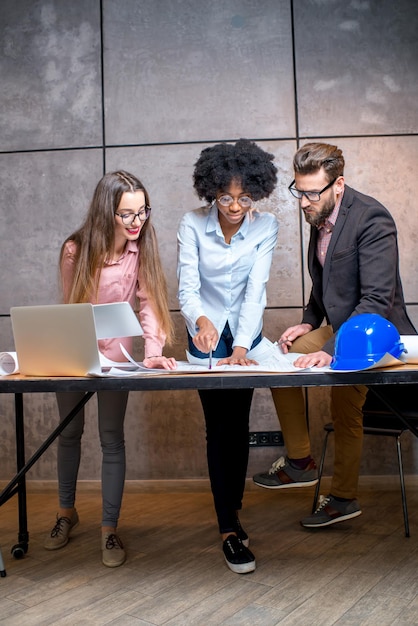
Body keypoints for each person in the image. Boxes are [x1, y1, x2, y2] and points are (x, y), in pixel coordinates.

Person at [253, 142, 417, 527]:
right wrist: (309, 322)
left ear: (338, 185)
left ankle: (344, 497)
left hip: (377, 333)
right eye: (299, 190)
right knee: (282, 358)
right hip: (341, 327)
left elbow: (376, 299)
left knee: (344, 402)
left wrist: (330, 349)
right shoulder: (320, 216)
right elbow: (327, 284)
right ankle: (300, 461)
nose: (304, 201)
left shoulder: (373, 219)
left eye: (312, 192)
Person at [44, 170, 177, 567]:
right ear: (107, 213)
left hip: (118, 360)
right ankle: (66, 513)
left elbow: (150, 302)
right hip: (75, 354)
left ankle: (108, 528)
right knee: (68, 434)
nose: (137, 223)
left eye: (142, 213)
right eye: (127, 215)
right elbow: (74, 309)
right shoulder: (75, 249)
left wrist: (152, 350)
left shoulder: (142, 246)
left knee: (111, 439)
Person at [177, 138, 278, 573]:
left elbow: (256, 290)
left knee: (238, 426)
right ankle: (228, 529)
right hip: (204, 335)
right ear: (210, 191)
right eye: (225, 197)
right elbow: (187, 287)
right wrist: (200, 322)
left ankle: (232, 511)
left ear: (255, 192)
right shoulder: (191, 224)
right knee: (218, 428)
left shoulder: (266, 226)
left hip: (246, 336)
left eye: (244, 197)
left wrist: (240, 349)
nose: (235, 206)